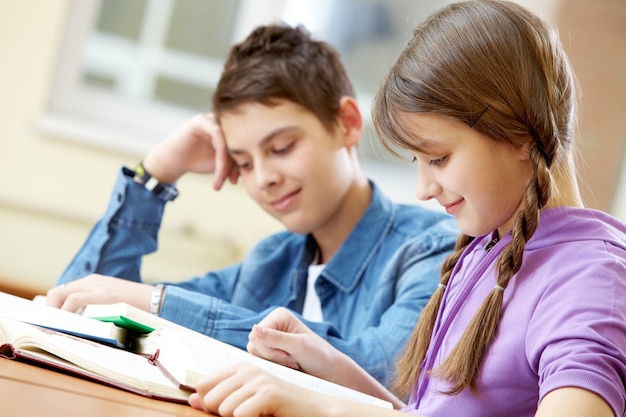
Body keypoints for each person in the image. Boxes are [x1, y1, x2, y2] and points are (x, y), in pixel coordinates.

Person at [186, 1, 626, 416]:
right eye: (417, 162)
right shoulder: (488, 248)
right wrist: (325, 367)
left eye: (438, 158)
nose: (423, 188)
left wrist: (325, 409)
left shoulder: (591, 279)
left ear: (519, 133)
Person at [45, 23, 459, 388]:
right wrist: (155, 174)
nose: (262, 179)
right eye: (243, 162)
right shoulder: (268, 262)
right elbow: (78, 306)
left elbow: (384, 374)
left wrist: (156, 304)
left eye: (281, 147)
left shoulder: (431, 249)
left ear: (347, 123)